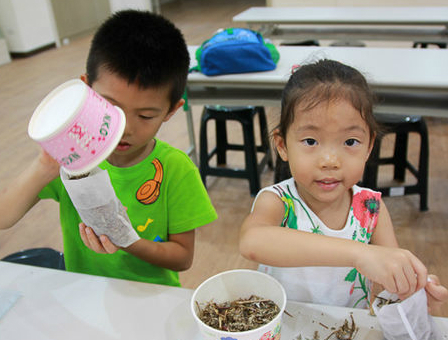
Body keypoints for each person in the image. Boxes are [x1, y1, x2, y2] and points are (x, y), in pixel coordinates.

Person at [0, 10, 217, 286]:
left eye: (146, 116)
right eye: (110, 109)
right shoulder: (73, 157)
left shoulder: (176, 169)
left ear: (172, 110)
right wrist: (44, 166)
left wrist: (128, 241)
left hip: (152, 301)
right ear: (86, 90)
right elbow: (4, 216)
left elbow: (182, 258)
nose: (124, 128)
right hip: (85, 294)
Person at [239, 59, 447, 312]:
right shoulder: (278, 202)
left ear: (369, 146)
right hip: (283, 330)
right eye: (310, 140)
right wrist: (358, 254)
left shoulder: (371, 208)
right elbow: (253, 241)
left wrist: (413, 289)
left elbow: (390, 278)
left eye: (350, 142)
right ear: (282, 145)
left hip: (345, 332)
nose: (330, 161)